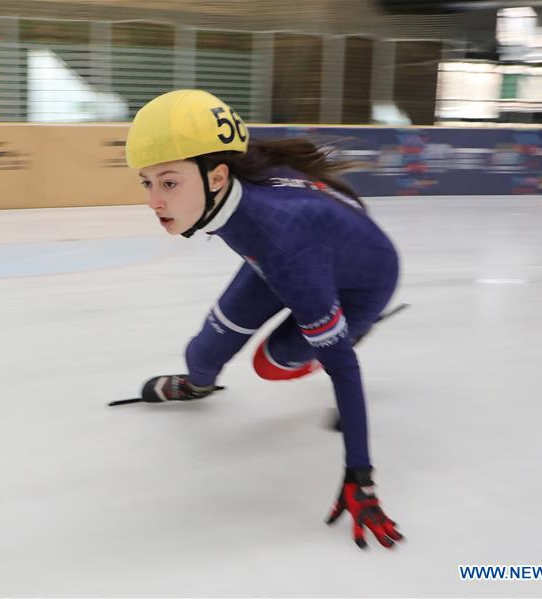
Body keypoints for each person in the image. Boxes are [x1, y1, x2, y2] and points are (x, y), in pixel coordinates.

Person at [124, 89, 403, 550]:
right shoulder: (237, 178)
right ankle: (199, 384)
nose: (154, 201)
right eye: (146, 182)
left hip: (357, 281)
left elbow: (343, 370)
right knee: (202, 353)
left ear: (216, 178)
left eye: (169, 183)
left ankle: (357, 327)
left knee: (273, 365)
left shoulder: (285, 244)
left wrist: (361, 477)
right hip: (283, 252)